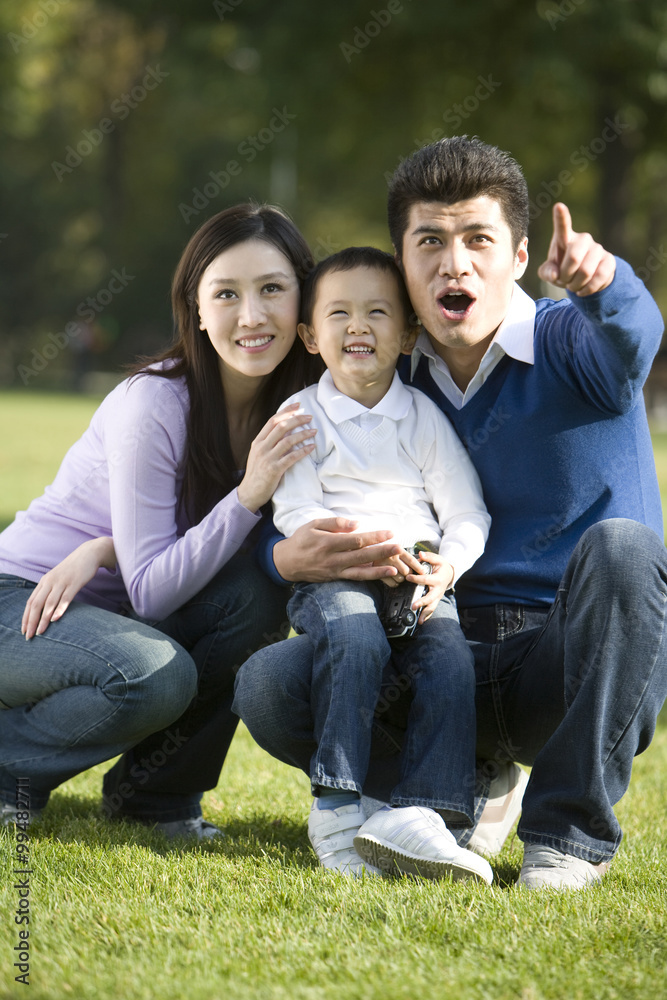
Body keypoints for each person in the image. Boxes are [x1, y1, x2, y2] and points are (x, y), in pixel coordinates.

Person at [233, 136, 667, 889]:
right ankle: (455, 785)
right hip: (428, 649)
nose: (453, 262)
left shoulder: (575, 342)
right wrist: (282, 557)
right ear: (402, 263)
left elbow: (633, 340)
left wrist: (607, 283)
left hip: (557, 667)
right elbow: (304, 496)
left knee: (626, 549)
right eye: (428, 241)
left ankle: (565, 837)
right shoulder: (385, 380)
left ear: (518, 254)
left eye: (477, 239)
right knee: (271, 684)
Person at [0, 202, 332, 840]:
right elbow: (153, 589)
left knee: (253, 595)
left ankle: (156, 796)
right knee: (152, 675)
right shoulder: (154, 400)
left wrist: (106, 549)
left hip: (115, 608)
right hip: (23, 604)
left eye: (272, 289)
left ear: (304, 301)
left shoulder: (305, 405)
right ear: (198, 310)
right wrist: (247, 494)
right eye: (226, 294)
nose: (252, 315)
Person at [272, 246, 492, 881]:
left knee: (449, 657)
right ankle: (337, 805)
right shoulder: (300, 418)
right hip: (337, 571)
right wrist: (359, 551)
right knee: (355, 637)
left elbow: (466, 513)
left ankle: (431, 818)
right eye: (338, 313)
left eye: (377, 312)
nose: (358, 326)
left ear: (408, 335)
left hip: (419, 572)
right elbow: (295, 512)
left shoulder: (422, 418)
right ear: (312, 337)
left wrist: (446, 567)